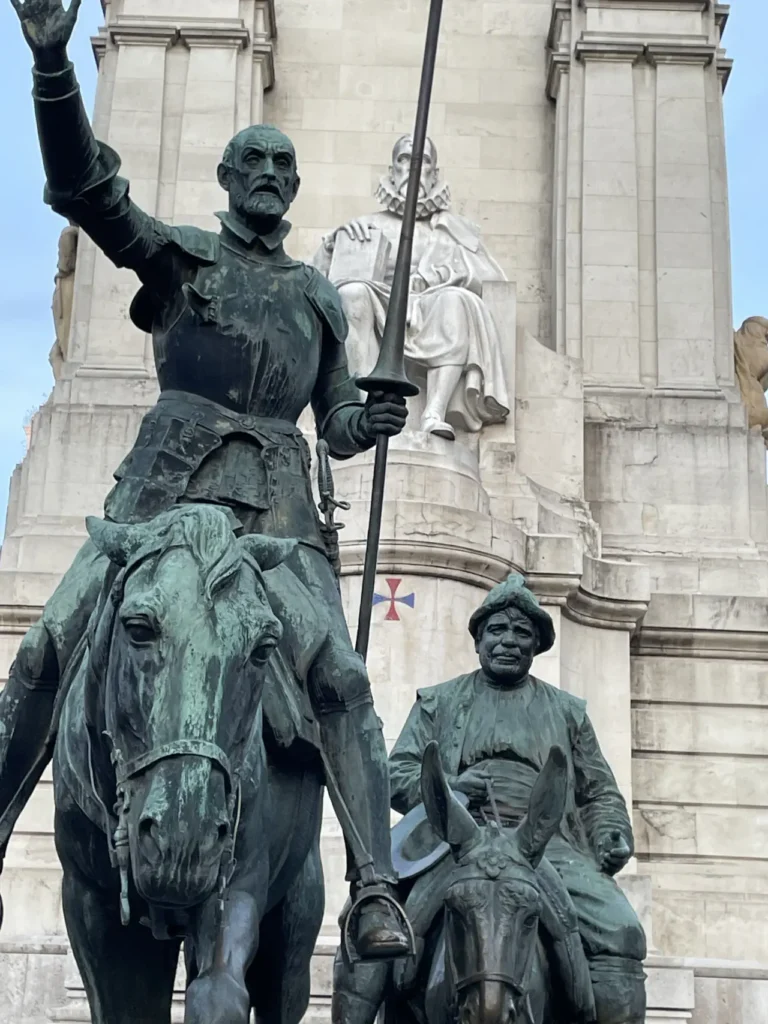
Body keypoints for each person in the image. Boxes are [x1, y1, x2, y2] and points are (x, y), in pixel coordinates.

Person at [1, 0, 410, 959]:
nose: (267, 176)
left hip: (279, 521)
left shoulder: (318, 295)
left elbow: (336, 421)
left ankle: (376, 886)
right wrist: (55, 68)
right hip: (160, 508)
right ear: (226, 180)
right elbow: (85, 190)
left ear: (296, 187)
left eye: (282, 166)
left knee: (343, 681)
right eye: (251, 163)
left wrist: (367, 422)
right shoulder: (181, 259)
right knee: (47, 647)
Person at [388, 575, 647, 1023]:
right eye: (498, 631)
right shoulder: (438, 702)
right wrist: (450, 786)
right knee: (374, 915)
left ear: (536, 646)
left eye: (521, 633)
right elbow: (397, 773)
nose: (508, 641)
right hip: (455, 841)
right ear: (479, 640)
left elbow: (598, 790)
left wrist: (611, 833)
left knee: (621, 932)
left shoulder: (567, 712)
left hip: (546, 845)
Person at [315, 135, 510, 440]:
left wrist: (453, 272)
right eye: (405, 159)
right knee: (351, 293)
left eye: (423, 159)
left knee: (457, 301)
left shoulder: (451, 229)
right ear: (392, 170)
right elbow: (315, 285)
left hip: (429, 302)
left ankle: (434, 412)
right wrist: (330, 247)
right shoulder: (366, 224)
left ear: (434, 175)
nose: (413, 166)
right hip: (380, 298)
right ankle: (364, 407)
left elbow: (491, 278)